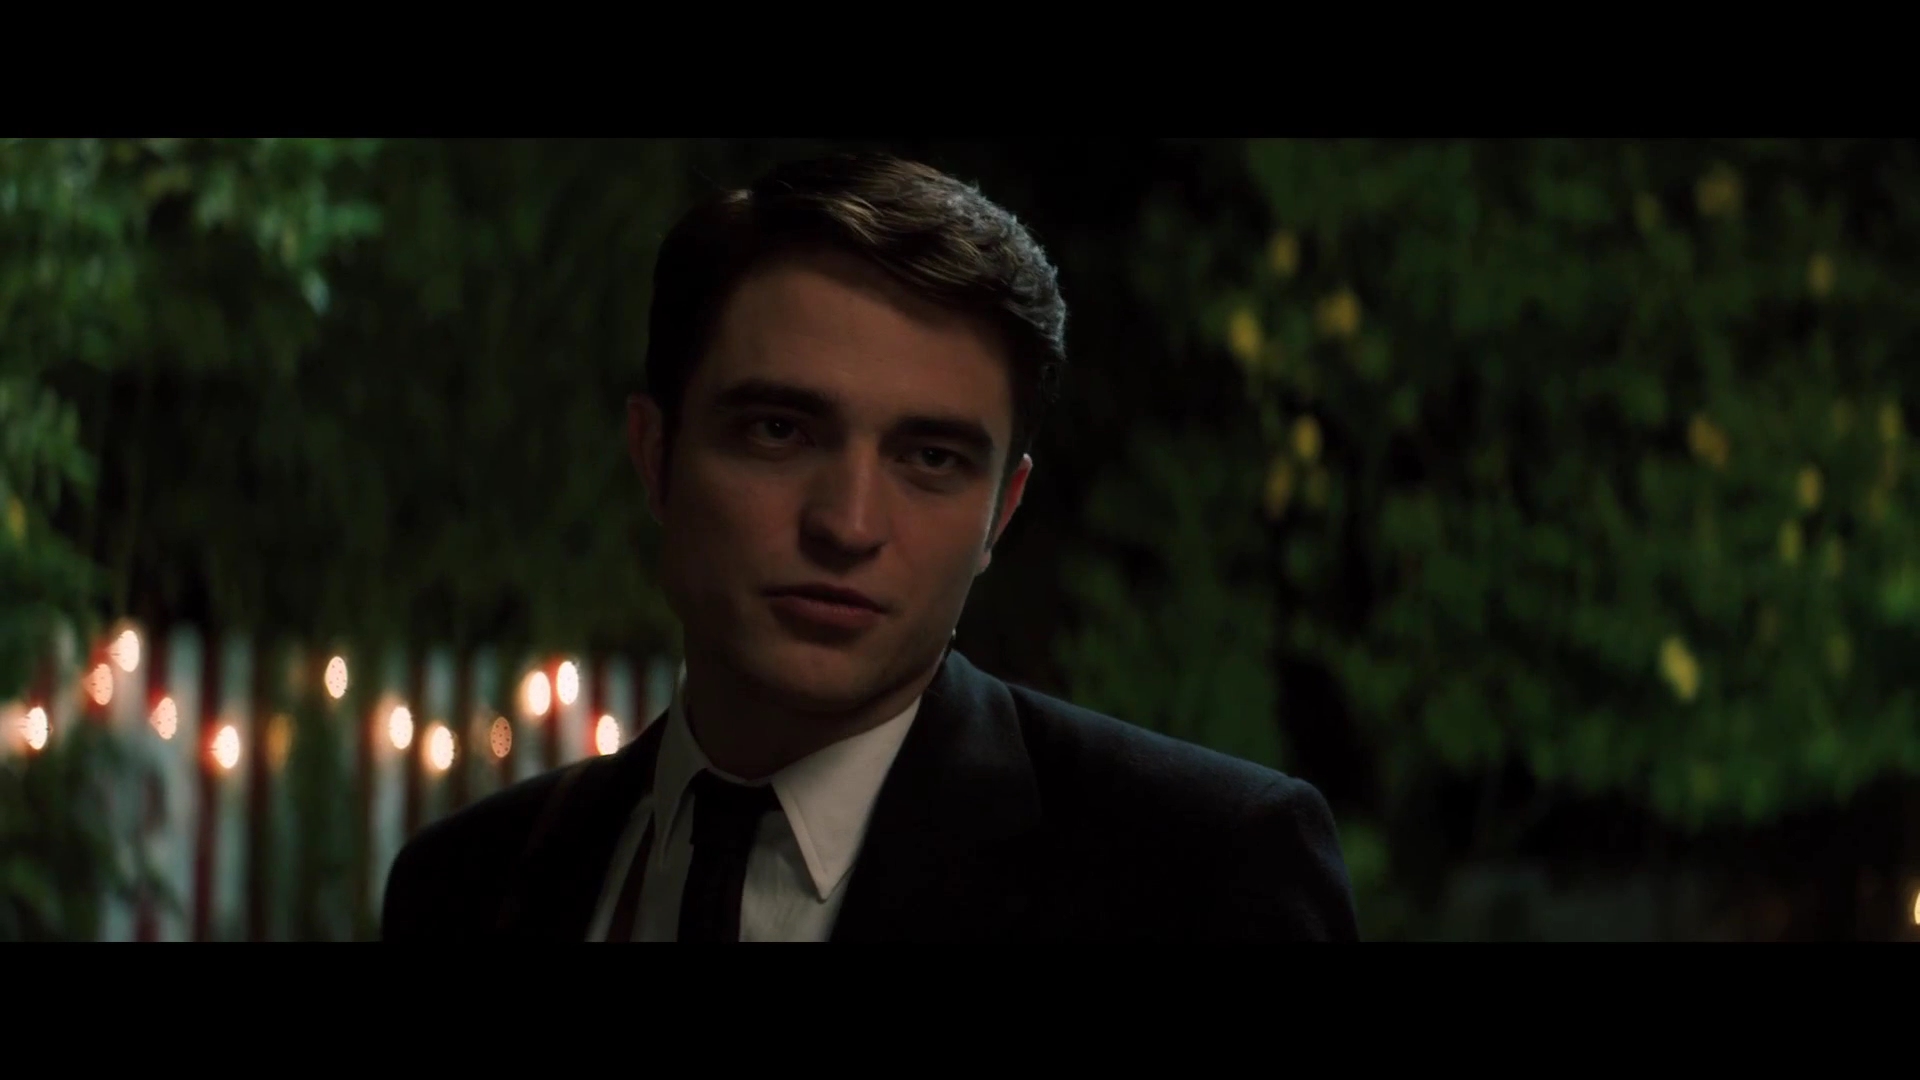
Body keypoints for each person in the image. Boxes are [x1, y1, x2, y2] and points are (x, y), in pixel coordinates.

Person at [380, 151, 1359, 942]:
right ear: (655, 454)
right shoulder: (466, 884)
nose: (847, 526)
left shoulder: (1201, 876)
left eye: (931, 458)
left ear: (1002, 512)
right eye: (778, 431)